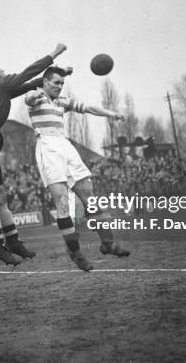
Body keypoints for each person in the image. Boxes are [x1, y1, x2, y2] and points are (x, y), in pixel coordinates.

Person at [0, 43, 69, 266]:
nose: (3, 69)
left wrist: (53, 78)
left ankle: (12, 242)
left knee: (0, 198)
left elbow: (31, 83)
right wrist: (54, 55)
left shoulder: (0, 88)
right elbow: (28, 72)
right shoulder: (0, 83)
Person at [25, 66, 131, 271]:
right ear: (45, 81)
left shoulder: (62, 101)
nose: (59, 86)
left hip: (66, 146)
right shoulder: (36, 96)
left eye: (62, 83)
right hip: (48, 148)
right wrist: (35, 93)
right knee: (63, 203)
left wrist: (111, 113)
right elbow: (29, 99)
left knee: (89, 199)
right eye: (56, 82)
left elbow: (88, 108)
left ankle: (108, 243)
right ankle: (75, 252)